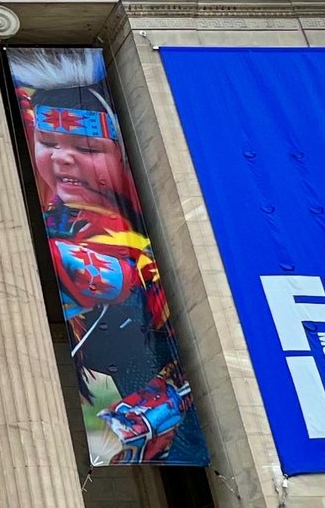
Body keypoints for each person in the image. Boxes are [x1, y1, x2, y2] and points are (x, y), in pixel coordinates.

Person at [12, 60, 206, 466]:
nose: (62, 159)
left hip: (172, 407)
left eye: (86, 149)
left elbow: (109, 277)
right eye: (48, 143)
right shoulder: (60, 208)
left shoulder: (120, 231)